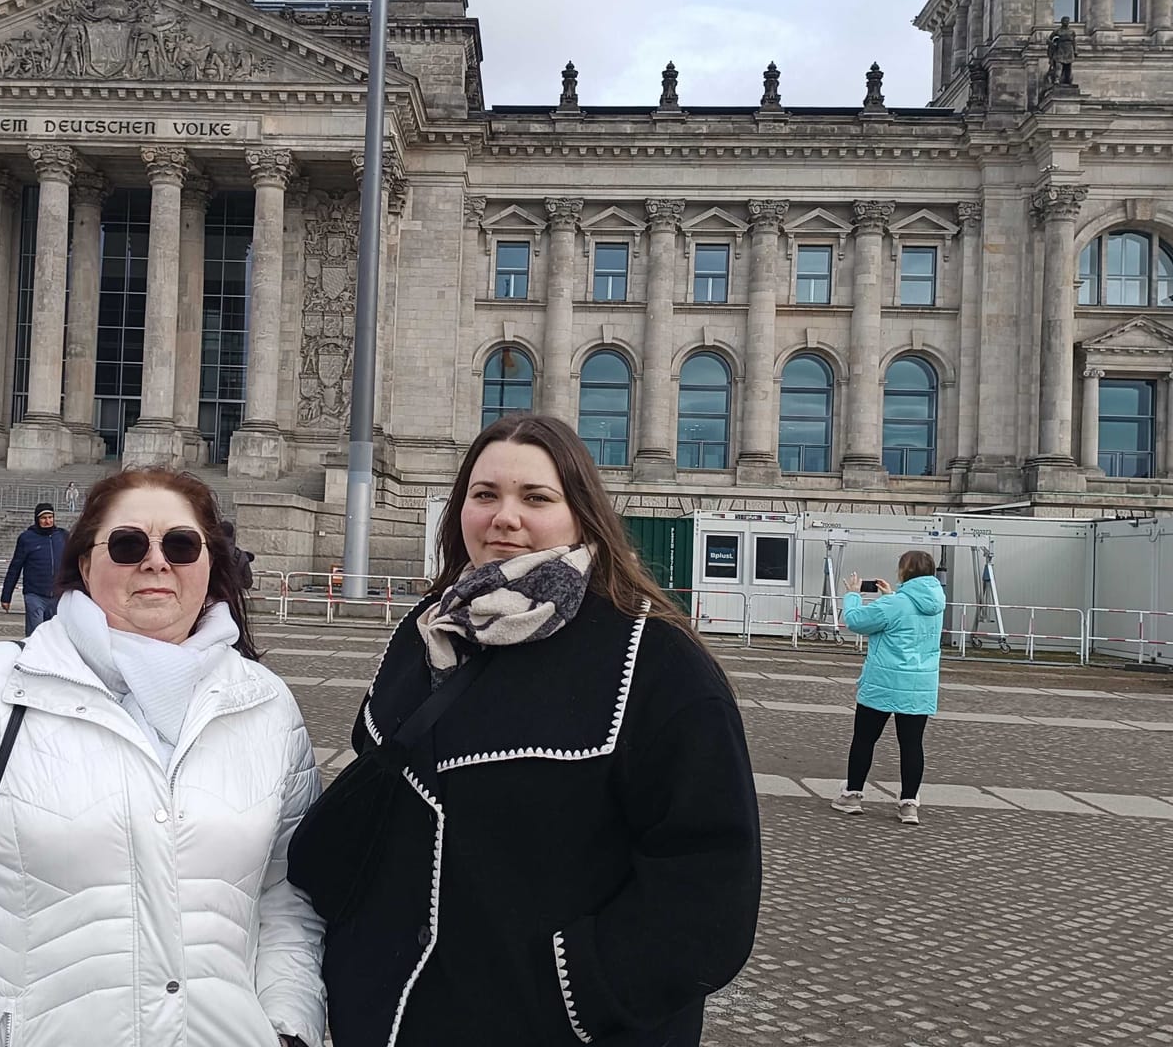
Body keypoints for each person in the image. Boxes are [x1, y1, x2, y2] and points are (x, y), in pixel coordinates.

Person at [288, 414, 761, 1047]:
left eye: (535, 498)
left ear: (581, 514)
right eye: (485, 496)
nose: (504, 517)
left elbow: (708, 882)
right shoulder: (427, 631)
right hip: (391, 1016)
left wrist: (576, 993)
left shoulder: (654, 661)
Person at [0, 468, 324, 1047]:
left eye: (182, 545)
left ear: (212, 566)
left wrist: (291, 1028)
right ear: (85, 564)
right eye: (128, 544)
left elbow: (285, 895)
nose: (156, 562)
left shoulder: (265, 706)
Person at [833, 550, 948, 825]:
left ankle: (852, 795)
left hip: (884, 683)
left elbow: (856, 621)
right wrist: (889, 597)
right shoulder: (937, 603)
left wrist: (852, 594)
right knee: (911, 744)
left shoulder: (896, 603)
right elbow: (906, 624)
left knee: (864, 739)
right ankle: (909, 804)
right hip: (920, 684)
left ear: (904, 572)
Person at [0, 502, 67, 636]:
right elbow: (15, 567)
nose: (47, 521)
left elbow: (72, 564)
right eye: (43, 518)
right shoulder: (26, 538)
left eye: (50, 517)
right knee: (35, 634)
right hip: (34, 594)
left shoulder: (63, 536)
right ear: (37, 519)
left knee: (55, 635)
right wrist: (6, 596)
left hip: (58, 595)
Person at [223, 519, 256, 592]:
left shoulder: (211, 553)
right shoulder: (242, 556)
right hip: (234, 596)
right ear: (232, 535)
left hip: (213, 598)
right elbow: (248, 582)